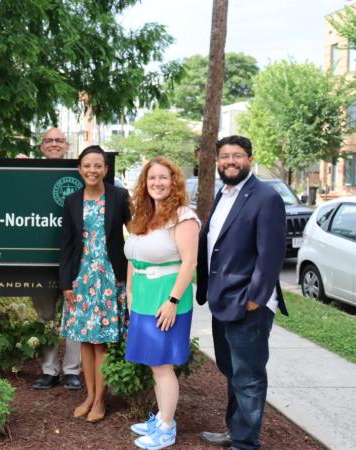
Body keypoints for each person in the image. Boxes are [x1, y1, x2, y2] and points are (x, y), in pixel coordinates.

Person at [197, 135, 287, 450]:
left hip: (248, 303)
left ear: (249, 158)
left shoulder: (265, 197)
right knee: (231, 369)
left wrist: (256, 298)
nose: (230, 161)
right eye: (224, 156)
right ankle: (236, 432)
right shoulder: (224, 194)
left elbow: (272, 254)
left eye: (236, 155)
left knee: (248, 376)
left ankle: (245, 444)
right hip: (222, 299)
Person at [123, 157, 200, 449]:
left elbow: (189, 262)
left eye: (163, 177)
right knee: (154, 364)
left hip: (167, 298)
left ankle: (167, 427)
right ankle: (162, 417)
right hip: (143, 297)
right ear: (145, 183)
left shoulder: (183, 217)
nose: (157, 183)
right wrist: (130, 293)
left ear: (174, 182)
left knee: (162, 365)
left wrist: (172, 301)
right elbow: (134, 257)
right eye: (152, 177)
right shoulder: (143, 215)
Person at [58, 145, 130, 423]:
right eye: (87, 165)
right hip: (82, 278)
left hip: (110, 277)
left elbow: (135, 232)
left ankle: (100, 400)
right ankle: (88, 395)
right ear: (79, 169)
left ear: (106, 169)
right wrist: (66, 283)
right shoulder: (72, 201)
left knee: (101, 344)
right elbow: (65, 245)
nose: (92, 170)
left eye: (97, 165)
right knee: (85, 341)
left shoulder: (119, 197)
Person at [29, 128, 82, 391]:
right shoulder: (29, 174)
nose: (54, 144)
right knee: (46, 316)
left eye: (59, 140)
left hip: (75, 259)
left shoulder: (79, 173)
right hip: (41, 258)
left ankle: (73, 370)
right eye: (48, 141)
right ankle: (49, 370)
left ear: (66, 145)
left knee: (74, 315)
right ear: (41, 147)